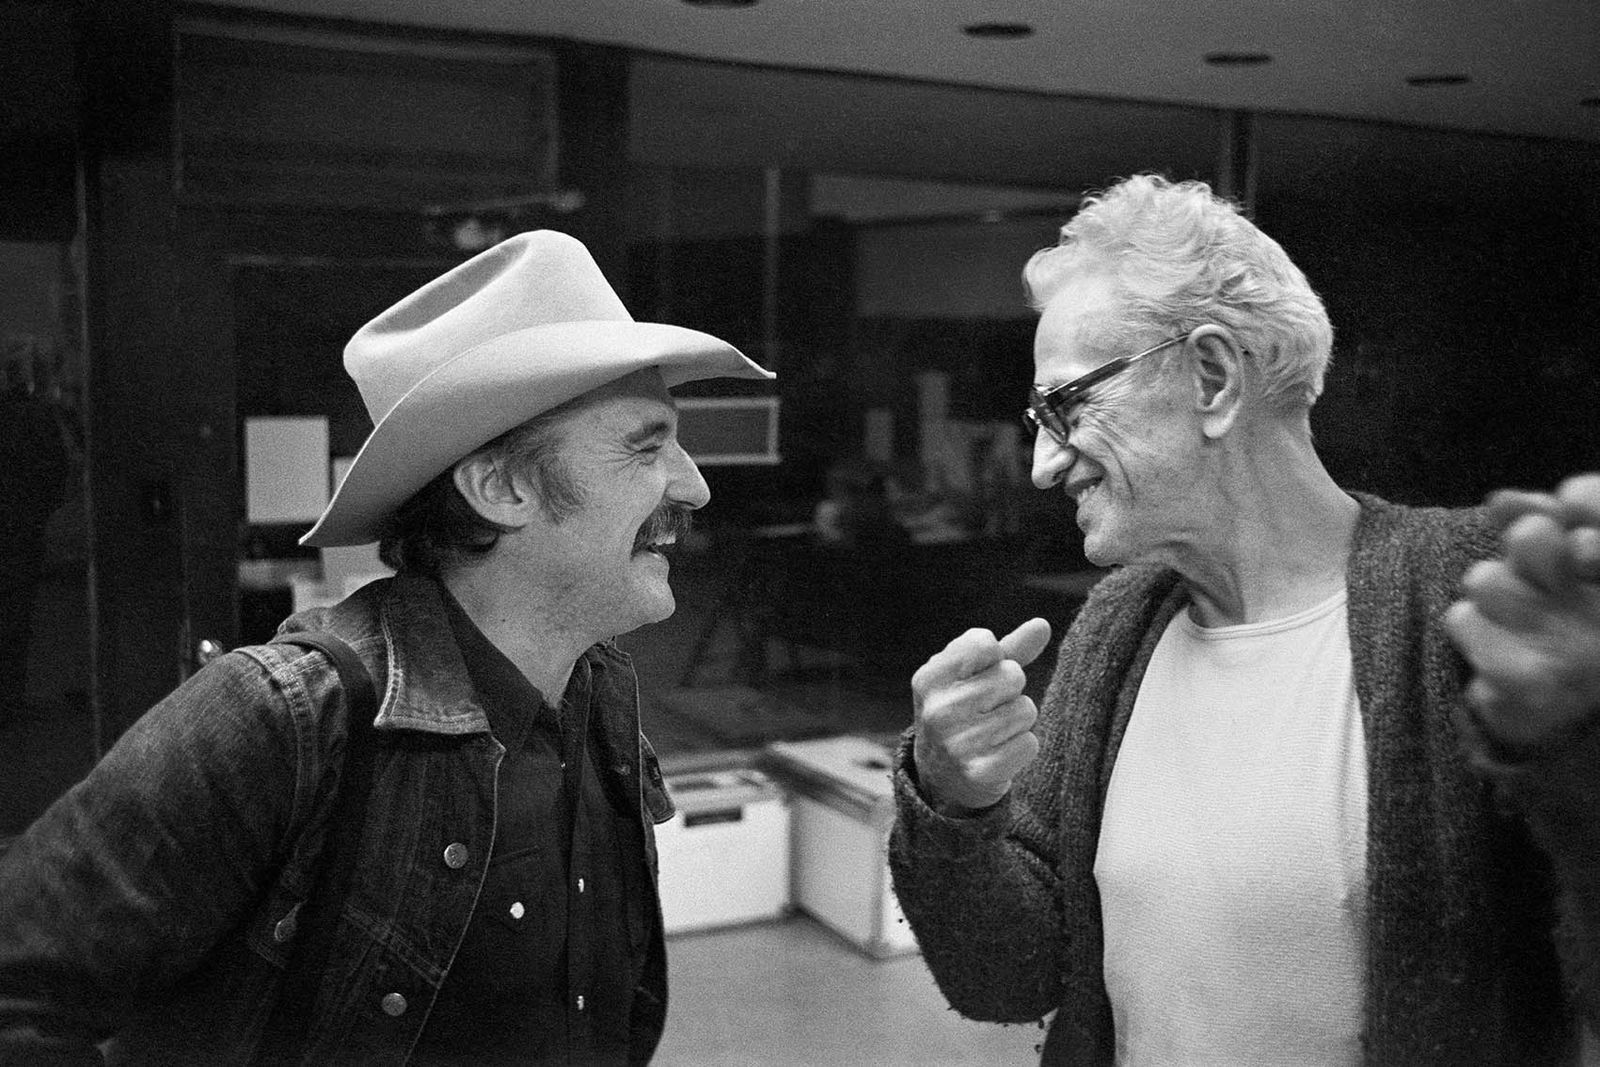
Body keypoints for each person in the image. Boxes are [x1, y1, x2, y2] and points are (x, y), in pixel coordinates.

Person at [0, 230, 773, 1063]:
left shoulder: (597, 690)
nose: (694, 483)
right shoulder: (286, 718)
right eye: (647, 444)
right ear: (502, 487)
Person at [887, 174, 1599, 1066]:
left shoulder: (1463, 601)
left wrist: (1579, 750)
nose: (1040, 464)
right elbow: (1012, 976)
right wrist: (951, 798)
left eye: (1065, 405)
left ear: (1214, 377)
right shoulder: (1121, 625)